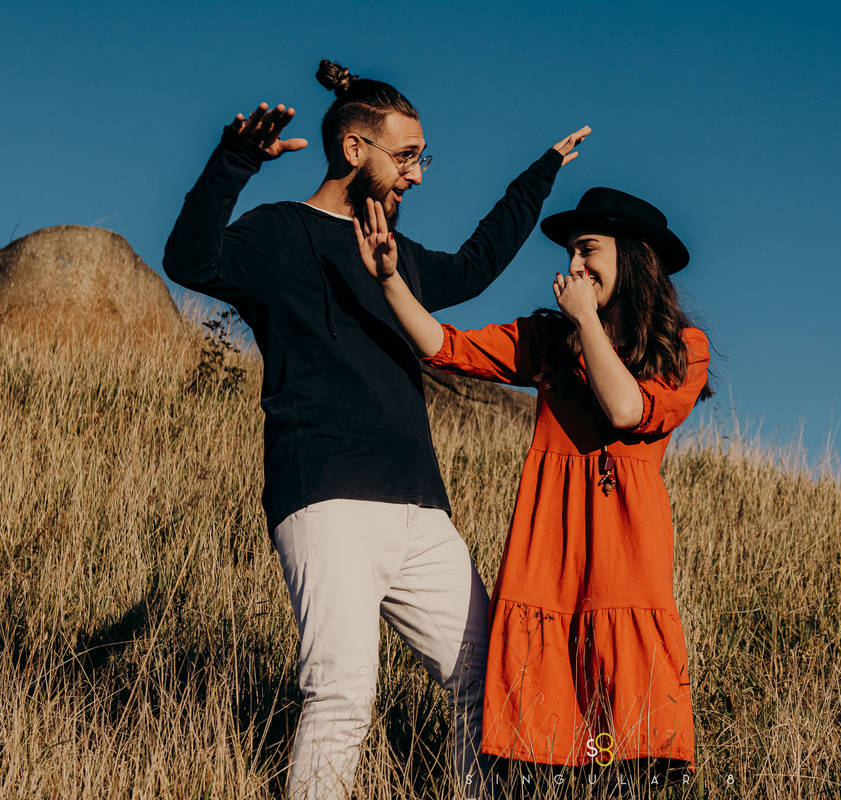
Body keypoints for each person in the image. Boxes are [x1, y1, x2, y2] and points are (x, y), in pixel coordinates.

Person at [162, 59, 589, 800]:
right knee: (342, 693)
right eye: (408, 156)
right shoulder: (280, 234)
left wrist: (541, 173)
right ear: (355, 148)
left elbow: (480, 262)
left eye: (424, 157)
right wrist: (233, 163)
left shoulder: (404, 263)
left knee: (485, 684)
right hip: (326, 498)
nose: (418, 174)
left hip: (422, 511)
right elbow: (188, 260)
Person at [356, 186, 712, 790]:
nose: (573, 266)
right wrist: (390, 280)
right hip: (546, 560)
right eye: (571, 252)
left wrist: (585, 323)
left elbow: (627, 409)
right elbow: (443, 346)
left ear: (634, 256)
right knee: (542, 750)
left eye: (588, 251)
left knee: (626, 754)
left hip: (624, 568)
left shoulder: (683, 350)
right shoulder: (550, 342)